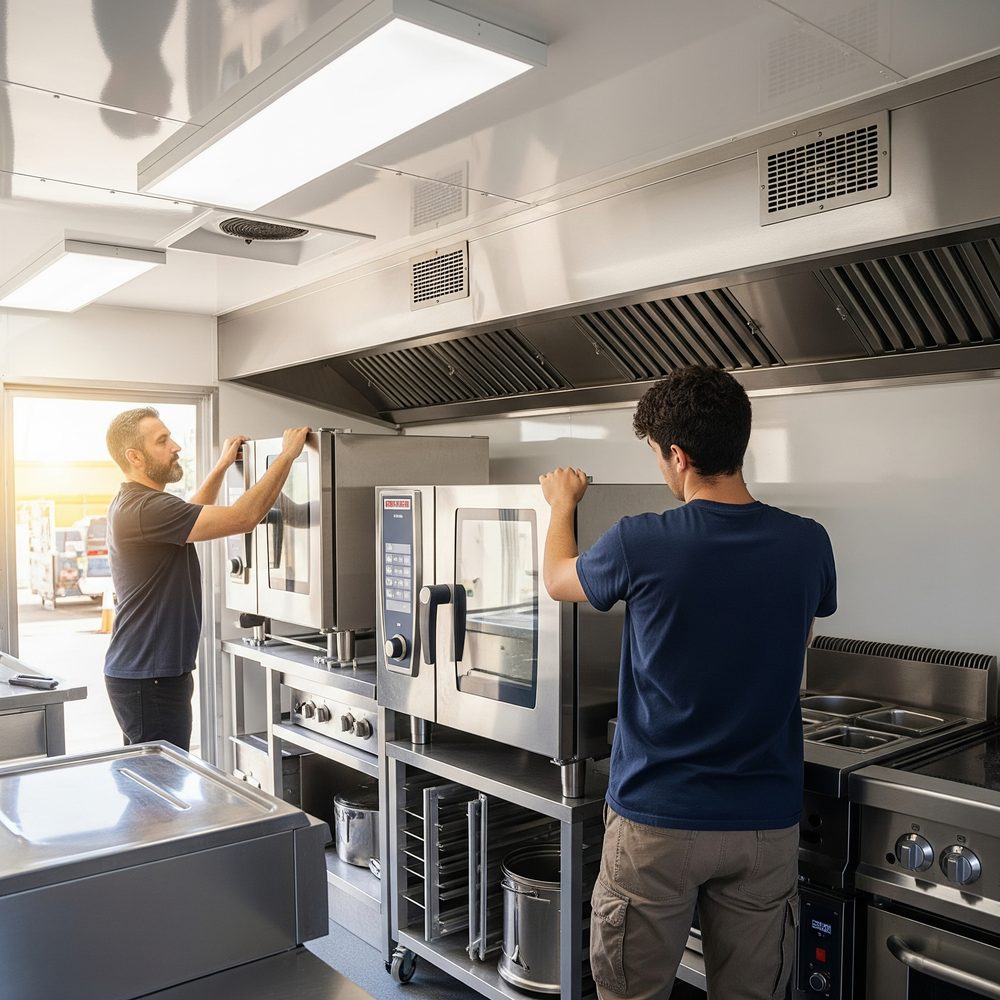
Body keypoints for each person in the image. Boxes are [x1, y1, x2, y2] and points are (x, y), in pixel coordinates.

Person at [539, 366, 836, 1000]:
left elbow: (561, 580)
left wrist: (563, 503)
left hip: (658, 821)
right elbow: (802, 638)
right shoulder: (809, 543)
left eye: (657, 457)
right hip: (763, 825)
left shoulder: (641, 540)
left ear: (679, 456)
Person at [103, 407, 309, 751]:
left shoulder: (143, 504)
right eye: (162, 440)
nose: (176, 447)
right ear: (134, 457)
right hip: (148, 676)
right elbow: (243, 518)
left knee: (155, 781)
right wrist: (287, 456)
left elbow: (194, 516)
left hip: (145, 673)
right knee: (162, 785)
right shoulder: (144, 508)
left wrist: (222, 466)